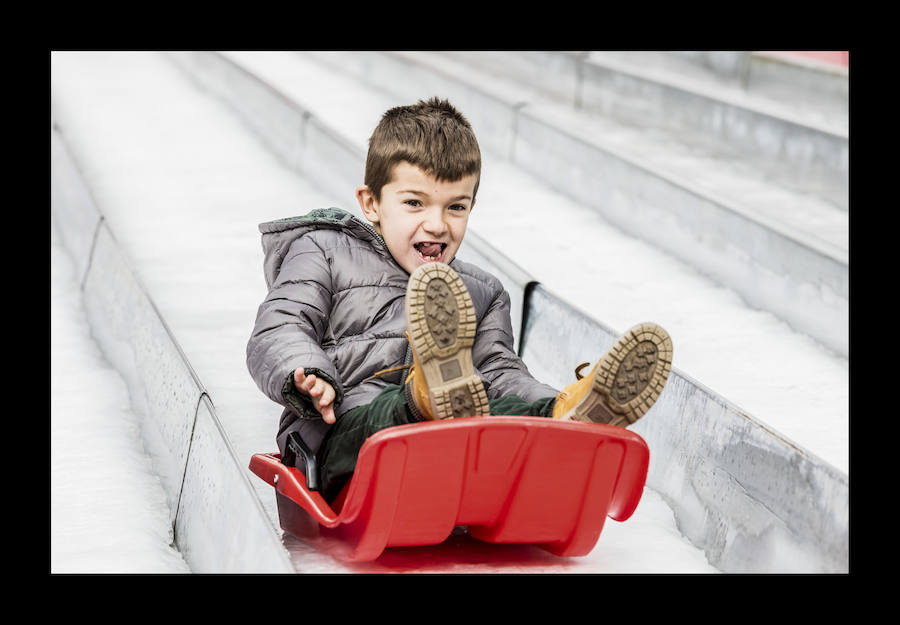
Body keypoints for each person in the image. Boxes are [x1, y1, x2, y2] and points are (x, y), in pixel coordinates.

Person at [246, 97, 673, 501]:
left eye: (456, 207)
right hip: (339, 431)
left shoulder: (480, 291)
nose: (437, 224)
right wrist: (306, 374)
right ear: (371, 203)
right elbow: (282, 325)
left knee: (499, 405)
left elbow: (499, 369)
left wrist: (545, 400)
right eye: (415, 203)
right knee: (384, 415)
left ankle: (566, 416)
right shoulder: (324, 251)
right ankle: (426, 400)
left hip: (453, 445)